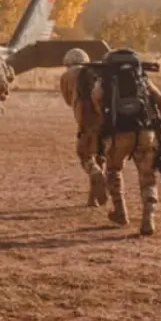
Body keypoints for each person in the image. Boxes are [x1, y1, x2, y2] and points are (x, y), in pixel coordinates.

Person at [87, 49, 161, 236]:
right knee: (148, 177)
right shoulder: (142, 81)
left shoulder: (104, 82)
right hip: (146, 132)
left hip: (120, 134)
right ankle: (148, 218)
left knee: (113, 170)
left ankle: (120, 211)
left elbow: (97, 105)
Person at [59, 48, 107, 207]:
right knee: (101, 155)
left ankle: (95, 172)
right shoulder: (96, 72)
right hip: (105, 120)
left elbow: (67, 100)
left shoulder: (67, 76)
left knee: (85, 156)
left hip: (86, 122)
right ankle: (92, 199)